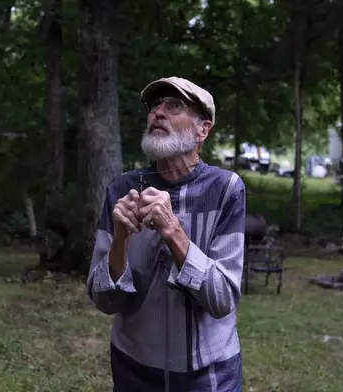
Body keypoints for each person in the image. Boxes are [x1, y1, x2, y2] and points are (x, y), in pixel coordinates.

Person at [86, 76, 246, 392]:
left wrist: (172, 230)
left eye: (174, 106)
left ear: (204, 129)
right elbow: (104, 301)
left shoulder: (225, 189)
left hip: (208, 375)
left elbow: (223, 298)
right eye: (155, 106)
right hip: (134, 369)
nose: (158, 113)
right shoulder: (122, 190)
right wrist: (120, 237)